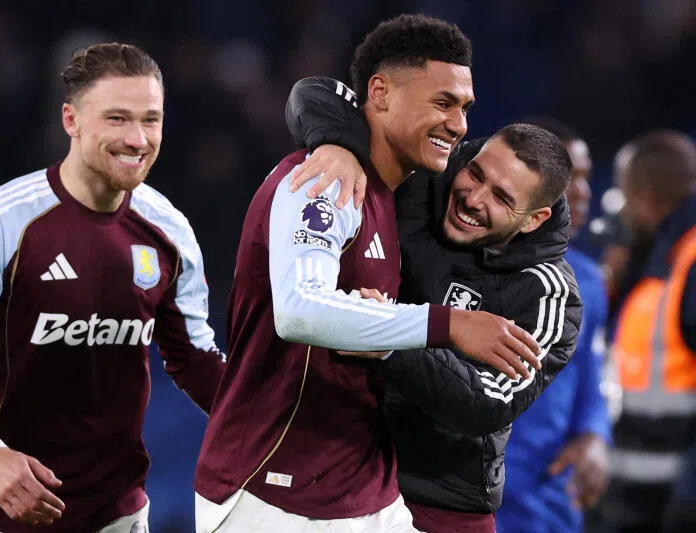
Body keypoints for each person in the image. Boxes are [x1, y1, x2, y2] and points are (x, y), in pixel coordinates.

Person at [194, 15, 542, 533]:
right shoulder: (323, 182)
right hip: (271, 493)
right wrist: (448, 325)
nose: (459, 125)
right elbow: (300, 310)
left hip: (367, 492)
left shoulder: (397, 192)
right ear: (379, 92)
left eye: (464, 107)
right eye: (442, 103)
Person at [0, 42, 227, 533]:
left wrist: (282, 422)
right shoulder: (4, 219)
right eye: (117, 119)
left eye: (151, 119)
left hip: (115, 513)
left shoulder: (169, 230)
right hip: (0, 508)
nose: (138, 138)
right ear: (71, 120)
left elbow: (196, 359)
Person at [285, 81, 581, 533]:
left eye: (502, 199)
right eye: (476, 174)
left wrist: (386, 342)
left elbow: (487, 402)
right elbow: (314, 92)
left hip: (437, 500)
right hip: (333, 471)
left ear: (535, 219)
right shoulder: (423, 179)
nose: (473, 199)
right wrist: (337, 143)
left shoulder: (547, 293)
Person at [496, 117, 612, 533]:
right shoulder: (464, 267)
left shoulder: (590, 281)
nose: (581, 193)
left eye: (585, 177)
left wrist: (595, 436)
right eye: (567, 176)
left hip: (548, 502)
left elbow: (591, 378)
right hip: (467, 498)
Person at [599, 130, 696, 533]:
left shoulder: (688, 260)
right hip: (639, 501)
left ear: (645, 195)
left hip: (673, 507)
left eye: (625, 197)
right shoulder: (666, 258)